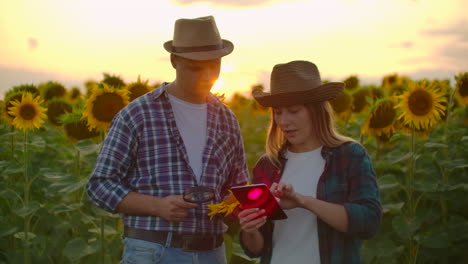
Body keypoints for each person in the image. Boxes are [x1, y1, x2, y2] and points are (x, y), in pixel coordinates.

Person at [86, 16, 249, 264]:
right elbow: (99, 186)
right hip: (153, 250)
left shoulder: (227, 119)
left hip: (212, 253)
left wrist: (234, 201)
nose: (207, 75)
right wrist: (158, 206)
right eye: (196, 67)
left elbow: (238, 185)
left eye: (214, 66)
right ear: (174, 61)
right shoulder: (138, 114)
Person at [238, 60, 382, 264]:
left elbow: (368, 222)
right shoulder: (267, 166)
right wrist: (249, 229)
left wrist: (303, 201)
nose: (284, 121)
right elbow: (256, 249)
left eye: (294, 111)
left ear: (316, 110)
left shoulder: (349, 156)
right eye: (278, 112)